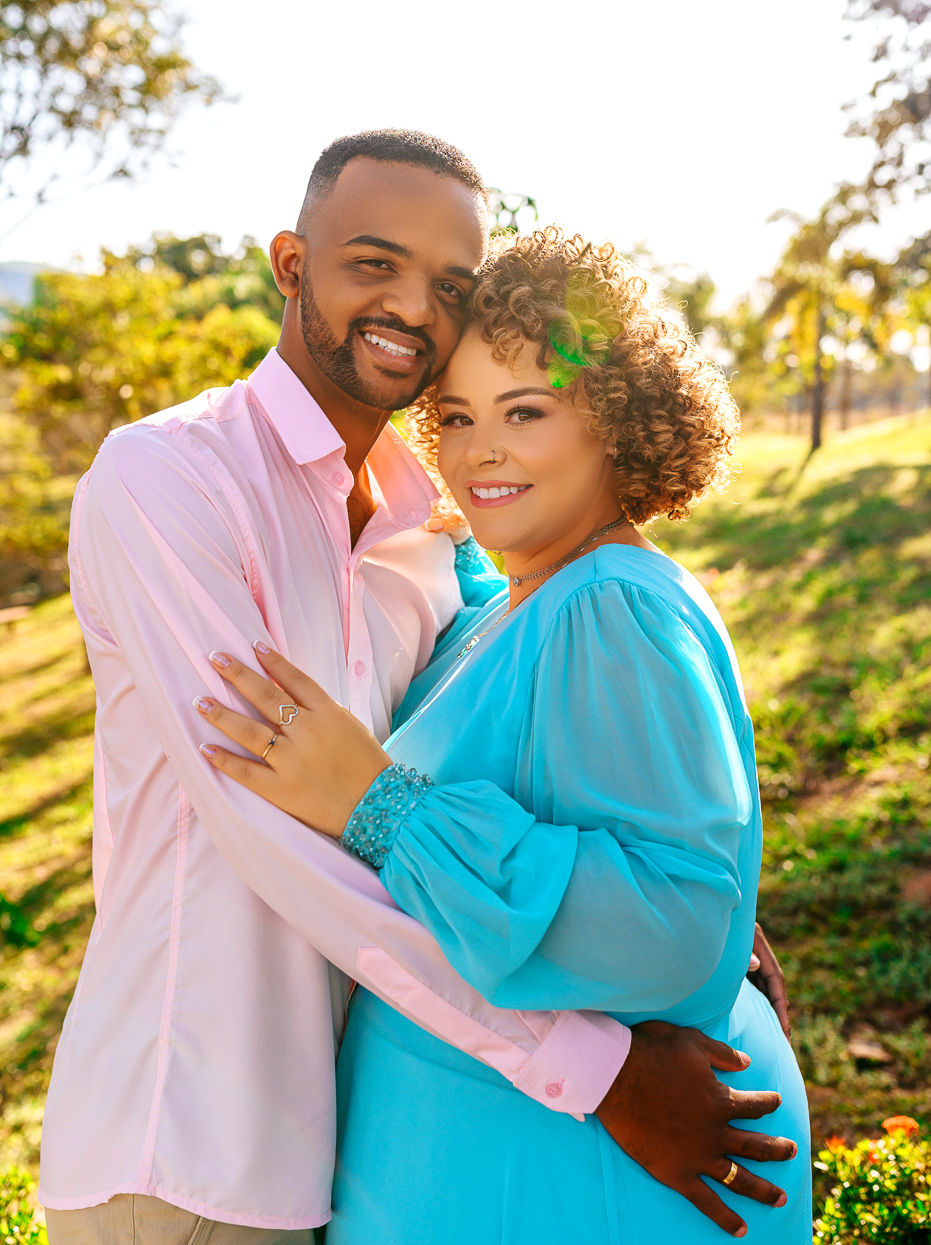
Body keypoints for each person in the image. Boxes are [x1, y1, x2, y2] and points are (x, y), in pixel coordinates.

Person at [42, 133, 793, 1245]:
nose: (410, 306)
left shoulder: (429, 533)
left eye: (449, 285)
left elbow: (535, 729)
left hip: (351, 1146)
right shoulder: (171, 478)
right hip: (190, 1140)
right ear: (291, 263)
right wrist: (594, 1061)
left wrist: (688, 922)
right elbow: (274, 828)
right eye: (373, 263)